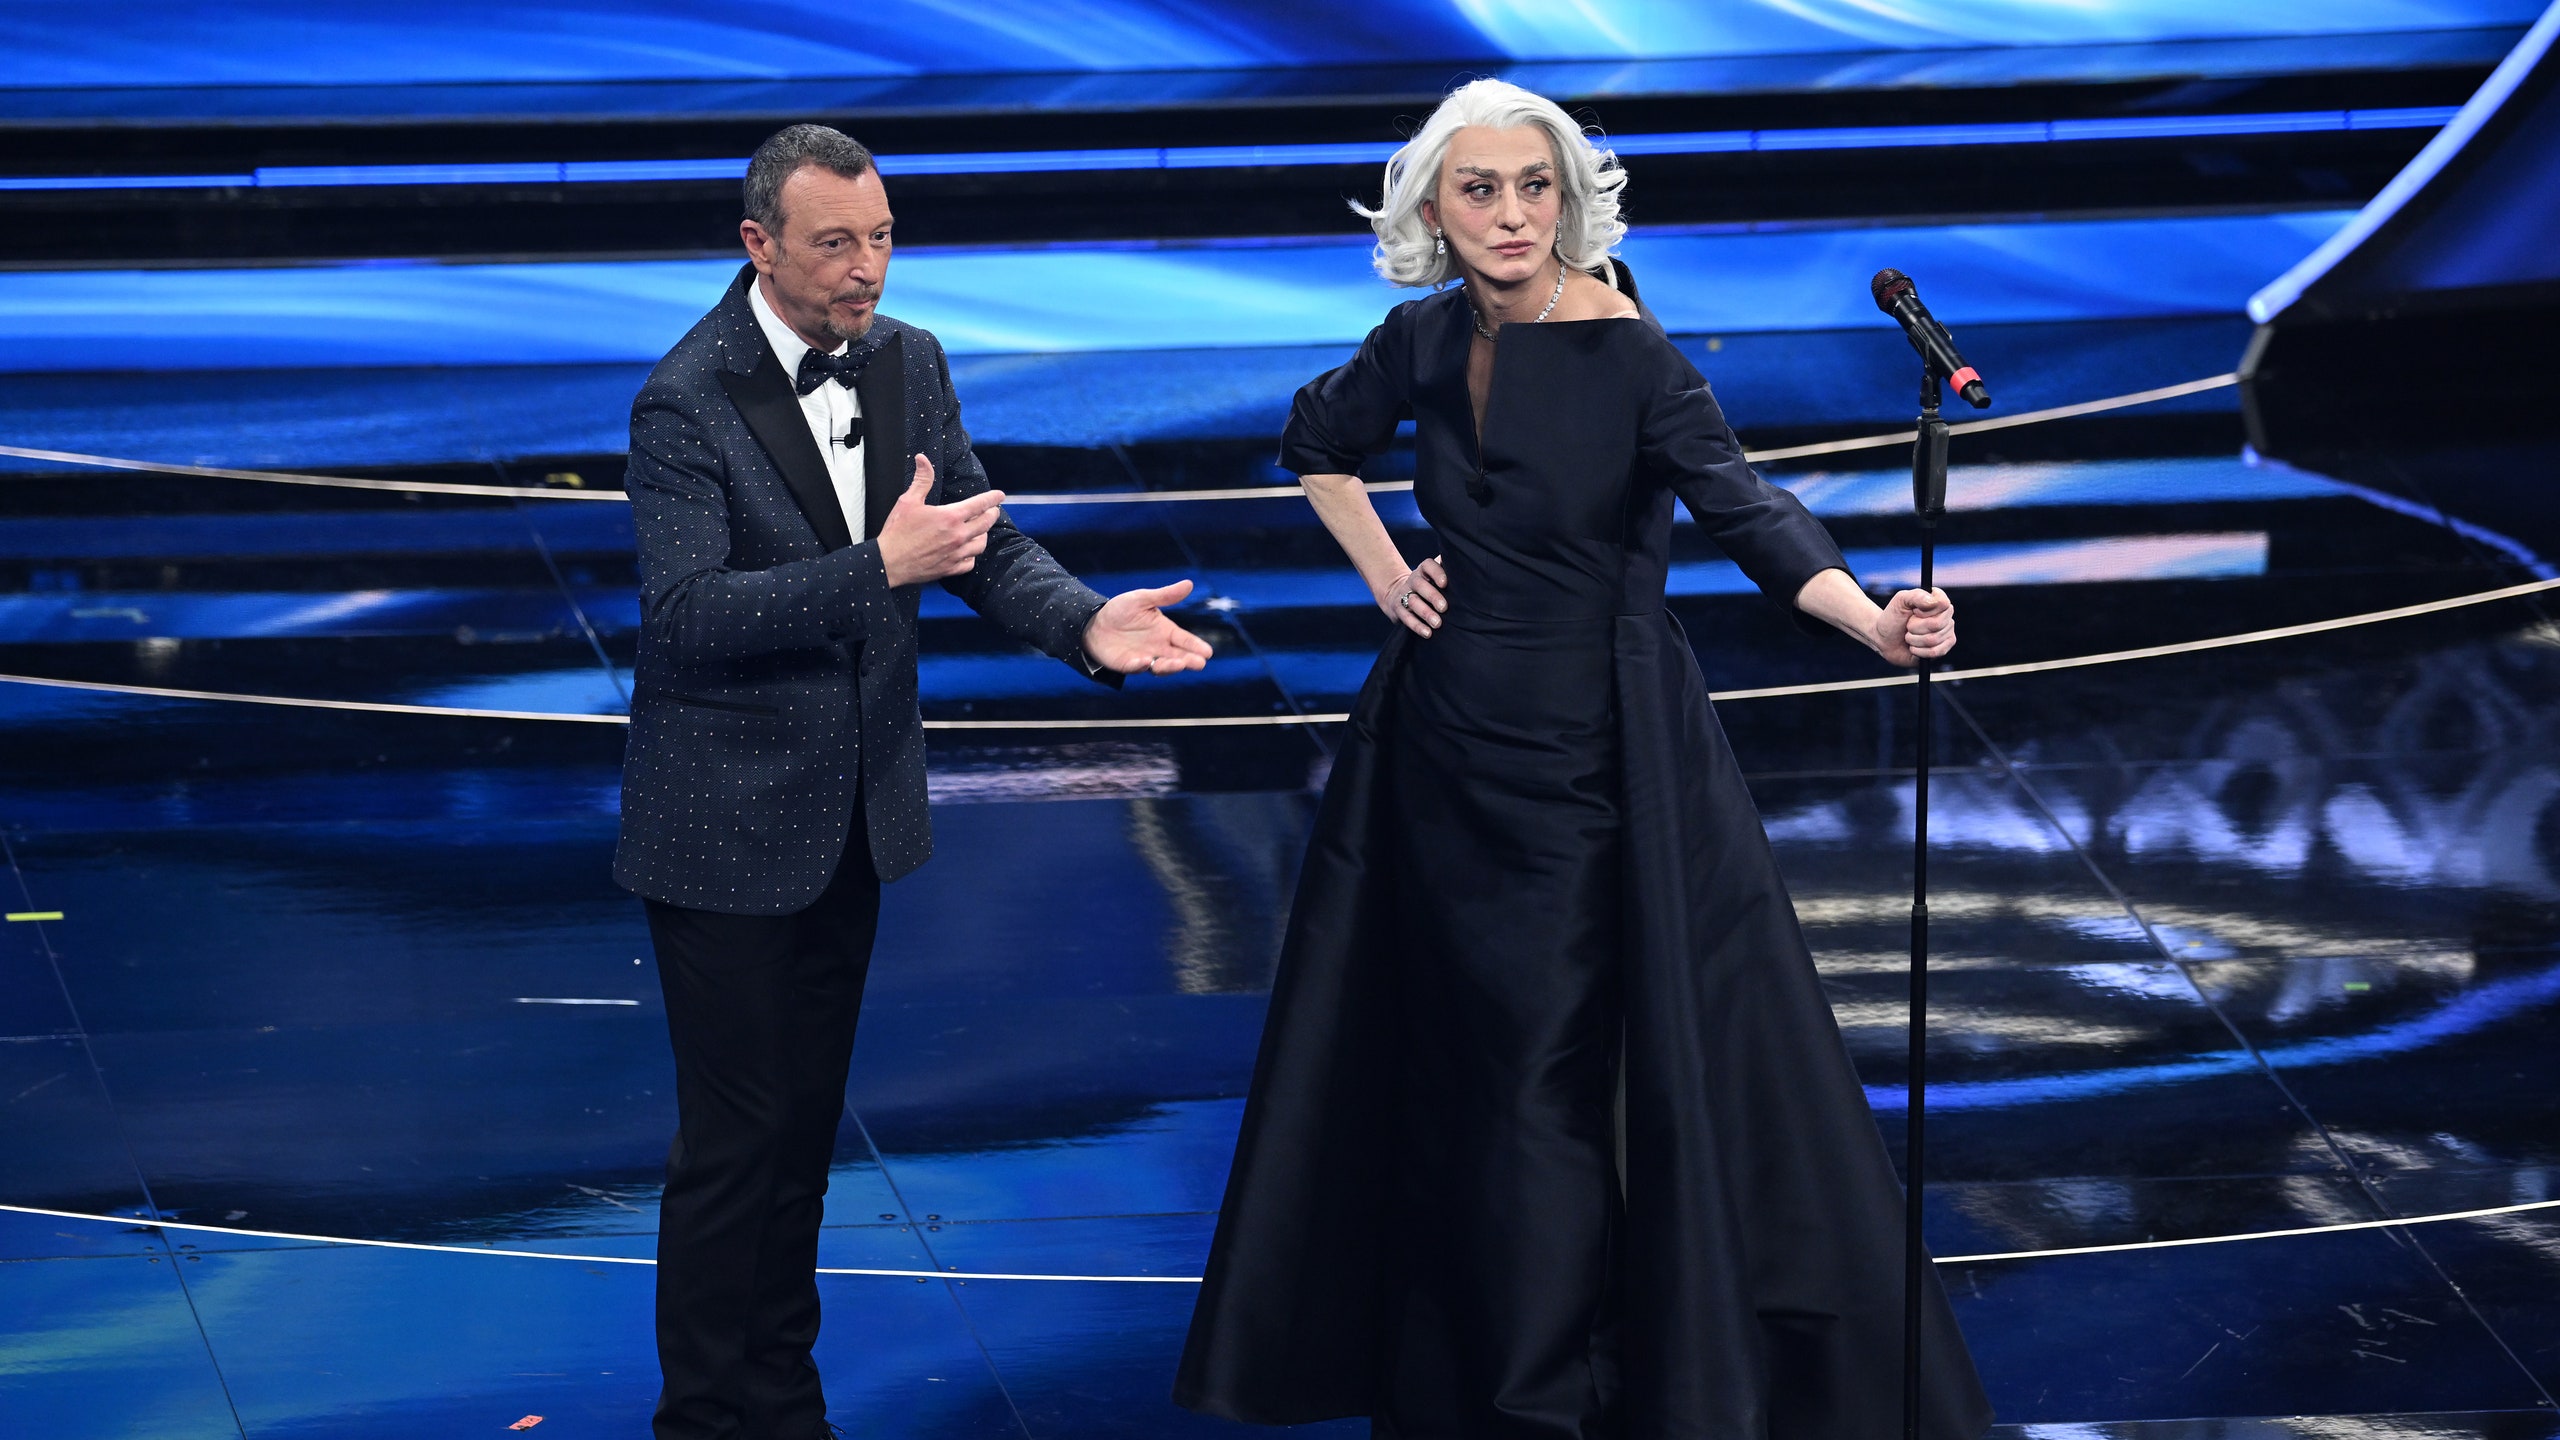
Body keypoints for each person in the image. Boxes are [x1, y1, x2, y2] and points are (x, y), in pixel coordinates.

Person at [1174, 80, 1990, 1440]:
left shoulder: (1627, 350)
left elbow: (1746, 507)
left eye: (1533, 187)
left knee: (1546, 1066)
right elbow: (1316, 442)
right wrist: (1387, 574)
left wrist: (1870, 620)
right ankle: (1479, 1362)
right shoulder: (1422, 336)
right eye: (1480, 189)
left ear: (1568, 200)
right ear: (1435, 209)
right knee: (1461, 1063)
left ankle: (1551, 1383)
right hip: (1442, 745)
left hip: (1593, 751)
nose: (1510, 214)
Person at [615, 123, 1211, 1440]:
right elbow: (686, 618)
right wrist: (876, 569)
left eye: (881, 237)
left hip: (854, 817)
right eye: (836, 243)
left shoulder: (907, 360)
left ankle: (785, 1402)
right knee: (736, 1146)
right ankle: (707, 1418)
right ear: (759, 244)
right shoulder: (684, 398)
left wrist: (1086, 625)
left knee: (801, 1137)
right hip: (725, 829)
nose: (867, 269)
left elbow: (978, 540)